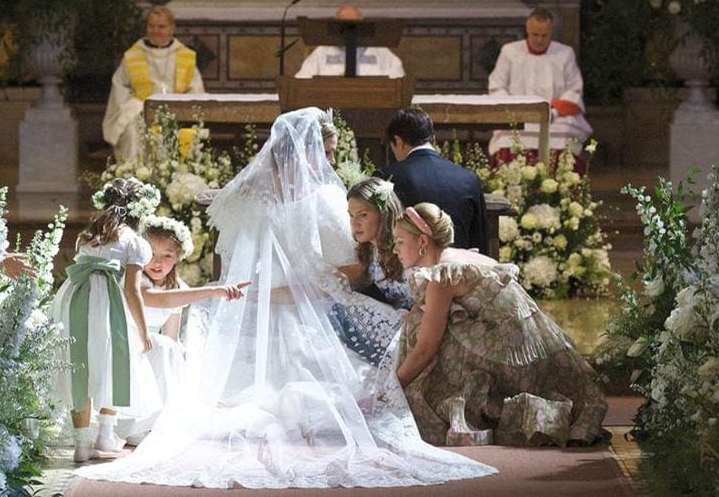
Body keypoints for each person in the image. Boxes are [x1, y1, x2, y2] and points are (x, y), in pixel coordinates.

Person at [76, 107, 496, 488]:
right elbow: (345, 268)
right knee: (363, 346)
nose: (330, 161)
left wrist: (261, 293)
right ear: (309, 149)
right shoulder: (326, 198)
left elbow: (239, 260)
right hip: (309, 303)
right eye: (327, 150)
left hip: (262, 300)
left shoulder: (249, 197)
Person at [392, 203, 607, 447]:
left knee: (425, 329)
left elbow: (425, 350)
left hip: (517, 358)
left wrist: (391, 388)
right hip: (534, 347)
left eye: (399, 241)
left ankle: (462, 404)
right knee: (430, 320)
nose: (395, 249)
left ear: (422, 241)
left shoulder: (443, 277)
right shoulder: (459, 255)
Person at [51, 177, 159, 463]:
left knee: (81, 364)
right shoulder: (134, 242)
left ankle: (82, 445)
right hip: (107, 303)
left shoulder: (88, 235)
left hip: (77, 300)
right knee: (112, 361)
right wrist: (144, 330)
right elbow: (132, 289)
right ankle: (105, 435)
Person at [118, 215, 248, 444]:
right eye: (150, 254)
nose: (157, 263)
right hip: (125, 343)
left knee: (173, 348)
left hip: (151, 348)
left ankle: (162, 420)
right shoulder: (135, 282)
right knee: (161, 346)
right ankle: (135, 423)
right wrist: (215, 290)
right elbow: (160, 300)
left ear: (178, 257)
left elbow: (172, 335)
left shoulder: (178, 288)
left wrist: (192, 370)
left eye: (166, 256)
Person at [488, 8, 592, 164]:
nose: (539, 40)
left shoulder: (565, 53)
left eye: (544, 36)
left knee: (564, 135)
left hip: (554, 117)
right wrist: (516, 111)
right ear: (527, 31)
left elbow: (574, 90)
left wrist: (553, 113)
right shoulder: (509, 52)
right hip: (517, 116)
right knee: (507, 136)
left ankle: (561, 183)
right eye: (534, 35)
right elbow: (497, 86)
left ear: (551, 33)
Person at [102, 6, 205, 163]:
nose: (156, 30)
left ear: (172, 29)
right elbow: (120, 90)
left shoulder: (185, 56)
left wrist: (179, 108)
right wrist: (139, 106)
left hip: (176, 113)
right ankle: (135, 179)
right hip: (139, 113)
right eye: (151, 26)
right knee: (131, 132)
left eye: (161, 26)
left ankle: (175, 184)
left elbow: (195, 90)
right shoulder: (132, 56)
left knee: (186, 134)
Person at [377, 107, 487, 252]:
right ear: (432, 139)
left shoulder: (387, 177)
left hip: (409, 271)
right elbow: (479, 242)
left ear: (398, 141)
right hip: (458, 270)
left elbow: (381, 235)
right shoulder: (469, 179)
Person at [330, 177, 411, 365]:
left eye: (363, 215)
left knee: (340, 306)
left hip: (420, 326)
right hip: (399, 325)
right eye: (351, 215)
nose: (354, 222)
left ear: (383, 213)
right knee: (333, 303)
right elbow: (328, 281)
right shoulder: (370, 252)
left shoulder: (405, 245)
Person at [294, 6, 405, 79]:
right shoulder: (322, 51)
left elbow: (399, 81)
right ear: (335, 25)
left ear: (363, 24)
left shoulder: (380, 51)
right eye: (344, 24)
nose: (349, 30)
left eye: (354, 25)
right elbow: (301, 81)